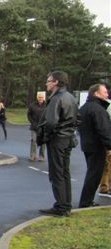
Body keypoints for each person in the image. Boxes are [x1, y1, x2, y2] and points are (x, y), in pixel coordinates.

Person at [37, 71, 79, 217]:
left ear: (56, 82)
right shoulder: (71, 98)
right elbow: (77, 118)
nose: (47, 83)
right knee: (64, 172)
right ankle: (66, 204)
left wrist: (46, 136)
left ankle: (61, 206)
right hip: (67, 138)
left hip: (57, 139)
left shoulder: (56, 99)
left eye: (49, 81)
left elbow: (51, 122)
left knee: (57, 173)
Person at [76, 83, 111, 208]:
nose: (107, 94)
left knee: (92, 173)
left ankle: (87, 200)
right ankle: (86, 201)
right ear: (96, 93)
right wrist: (109, 146)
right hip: (97, 146)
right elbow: (104, 130)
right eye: (105, 92)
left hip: (88, 145)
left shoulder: (84, 107)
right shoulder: (98, 110)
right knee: (94, 175)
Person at [27, 92, 47, 161]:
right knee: (34, 141)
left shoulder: (47, 105)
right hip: (34, 126)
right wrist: (32, 122)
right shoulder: (32, 105)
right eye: (39, 97)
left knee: (43, 142)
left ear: (43, 98)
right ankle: (33, 156)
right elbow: (29, 115)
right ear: (37, 98)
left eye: (41, 97)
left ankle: (41, 156)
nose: (40, 99)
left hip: (43, 127)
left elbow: (49, 115)